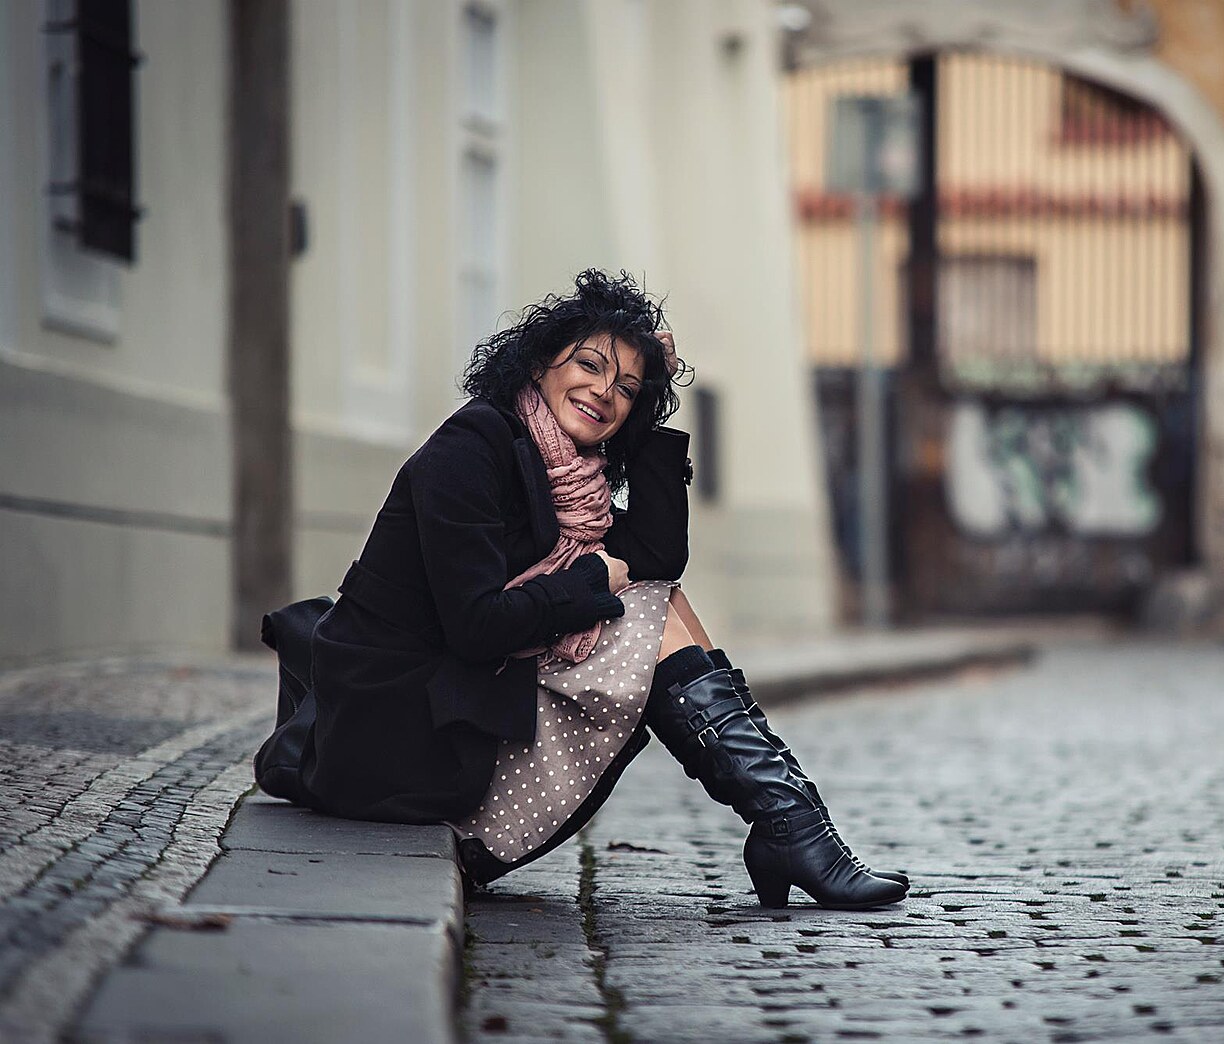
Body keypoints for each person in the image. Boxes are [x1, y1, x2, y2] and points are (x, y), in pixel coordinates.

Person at [254, 270, 907, 910]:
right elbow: (477, 626)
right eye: (590, 366)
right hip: (394, 744)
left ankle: (792, 823)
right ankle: (792, 828)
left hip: (450, 707)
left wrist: (651, 419)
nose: (604, 392)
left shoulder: (571, 478)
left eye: (626, 388)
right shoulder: (469, 451)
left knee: (657, 600)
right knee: (650, 613)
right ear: (541, 360)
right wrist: (592, 579)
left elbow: (655, 558)